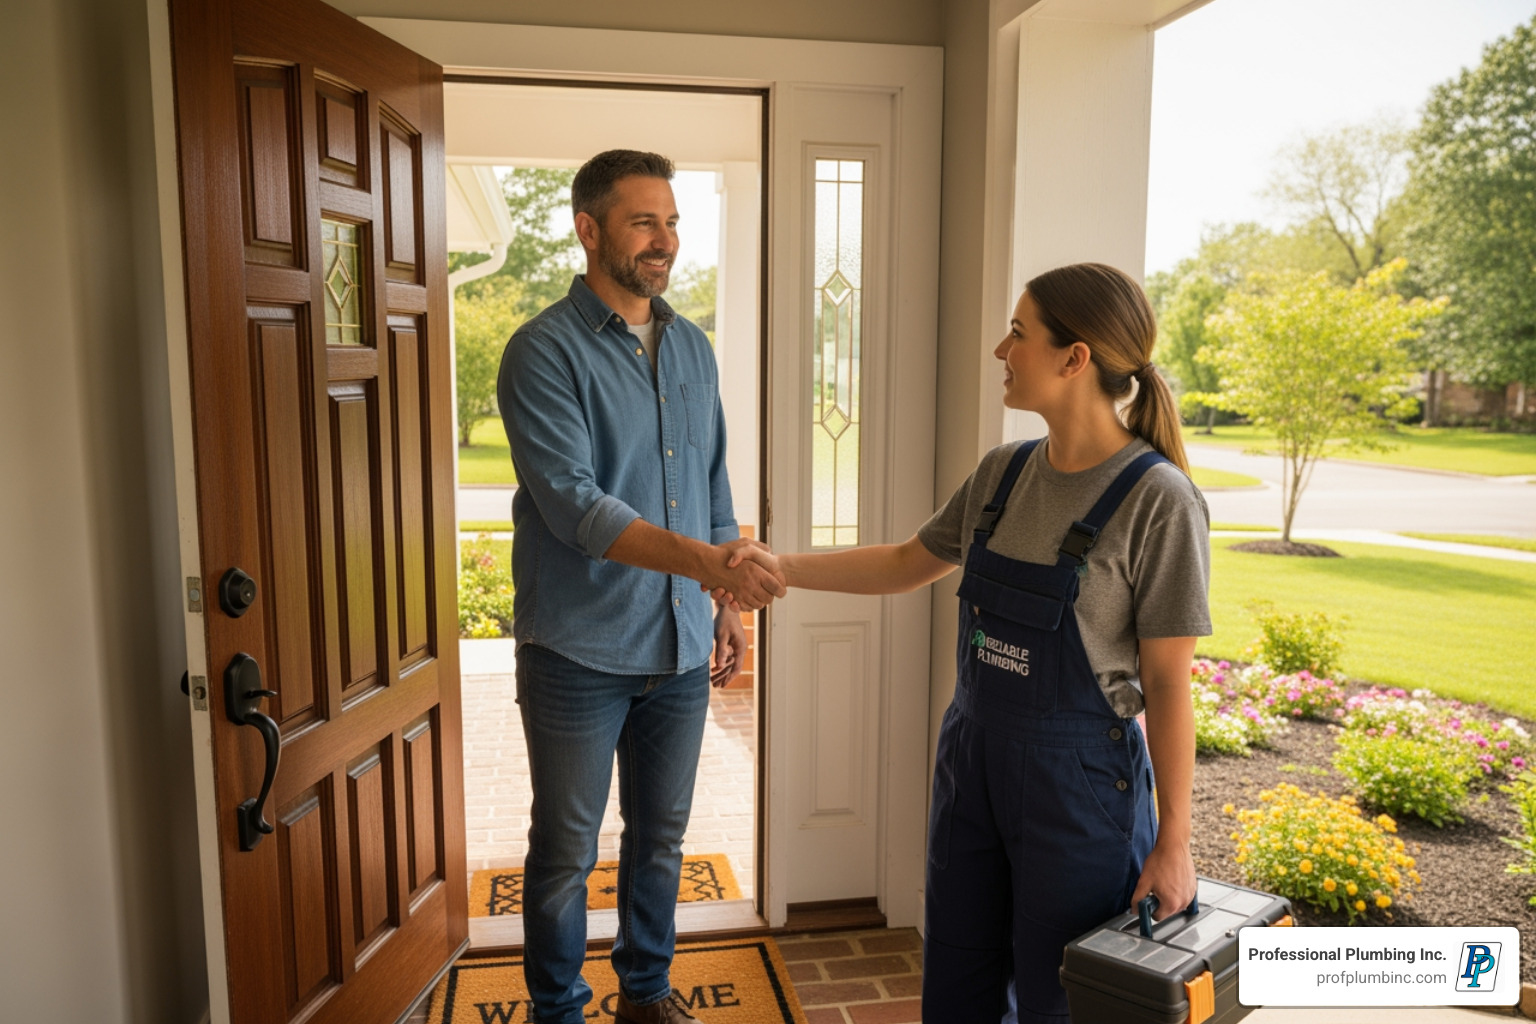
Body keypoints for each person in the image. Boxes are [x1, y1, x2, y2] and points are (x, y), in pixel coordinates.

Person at [719, 263, 1208, 1022]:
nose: (999, 349)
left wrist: (1173, 841)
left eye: (1018, 331)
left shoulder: (1158, 501)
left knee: (1059, 1000)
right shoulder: (1003, 474)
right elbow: (908, 561)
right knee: (957, 984)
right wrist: (780, 567)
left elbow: (1171, 684)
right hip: (971, 764)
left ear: (1074, 358)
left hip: (1079, 794)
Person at [498, 149, 784, 1024]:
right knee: (565, 850)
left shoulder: (691, 345)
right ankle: (558, 1009)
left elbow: (712, 483)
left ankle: (648, 994)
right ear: (589, 231)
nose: (666, 241)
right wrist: (709, 567)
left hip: (679, 641)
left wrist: (725, 603)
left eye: (672, 221)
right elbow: (576, 508)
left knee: (660, 839)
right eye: (643, 222)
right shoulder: (541, 353)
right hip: (578, 649)